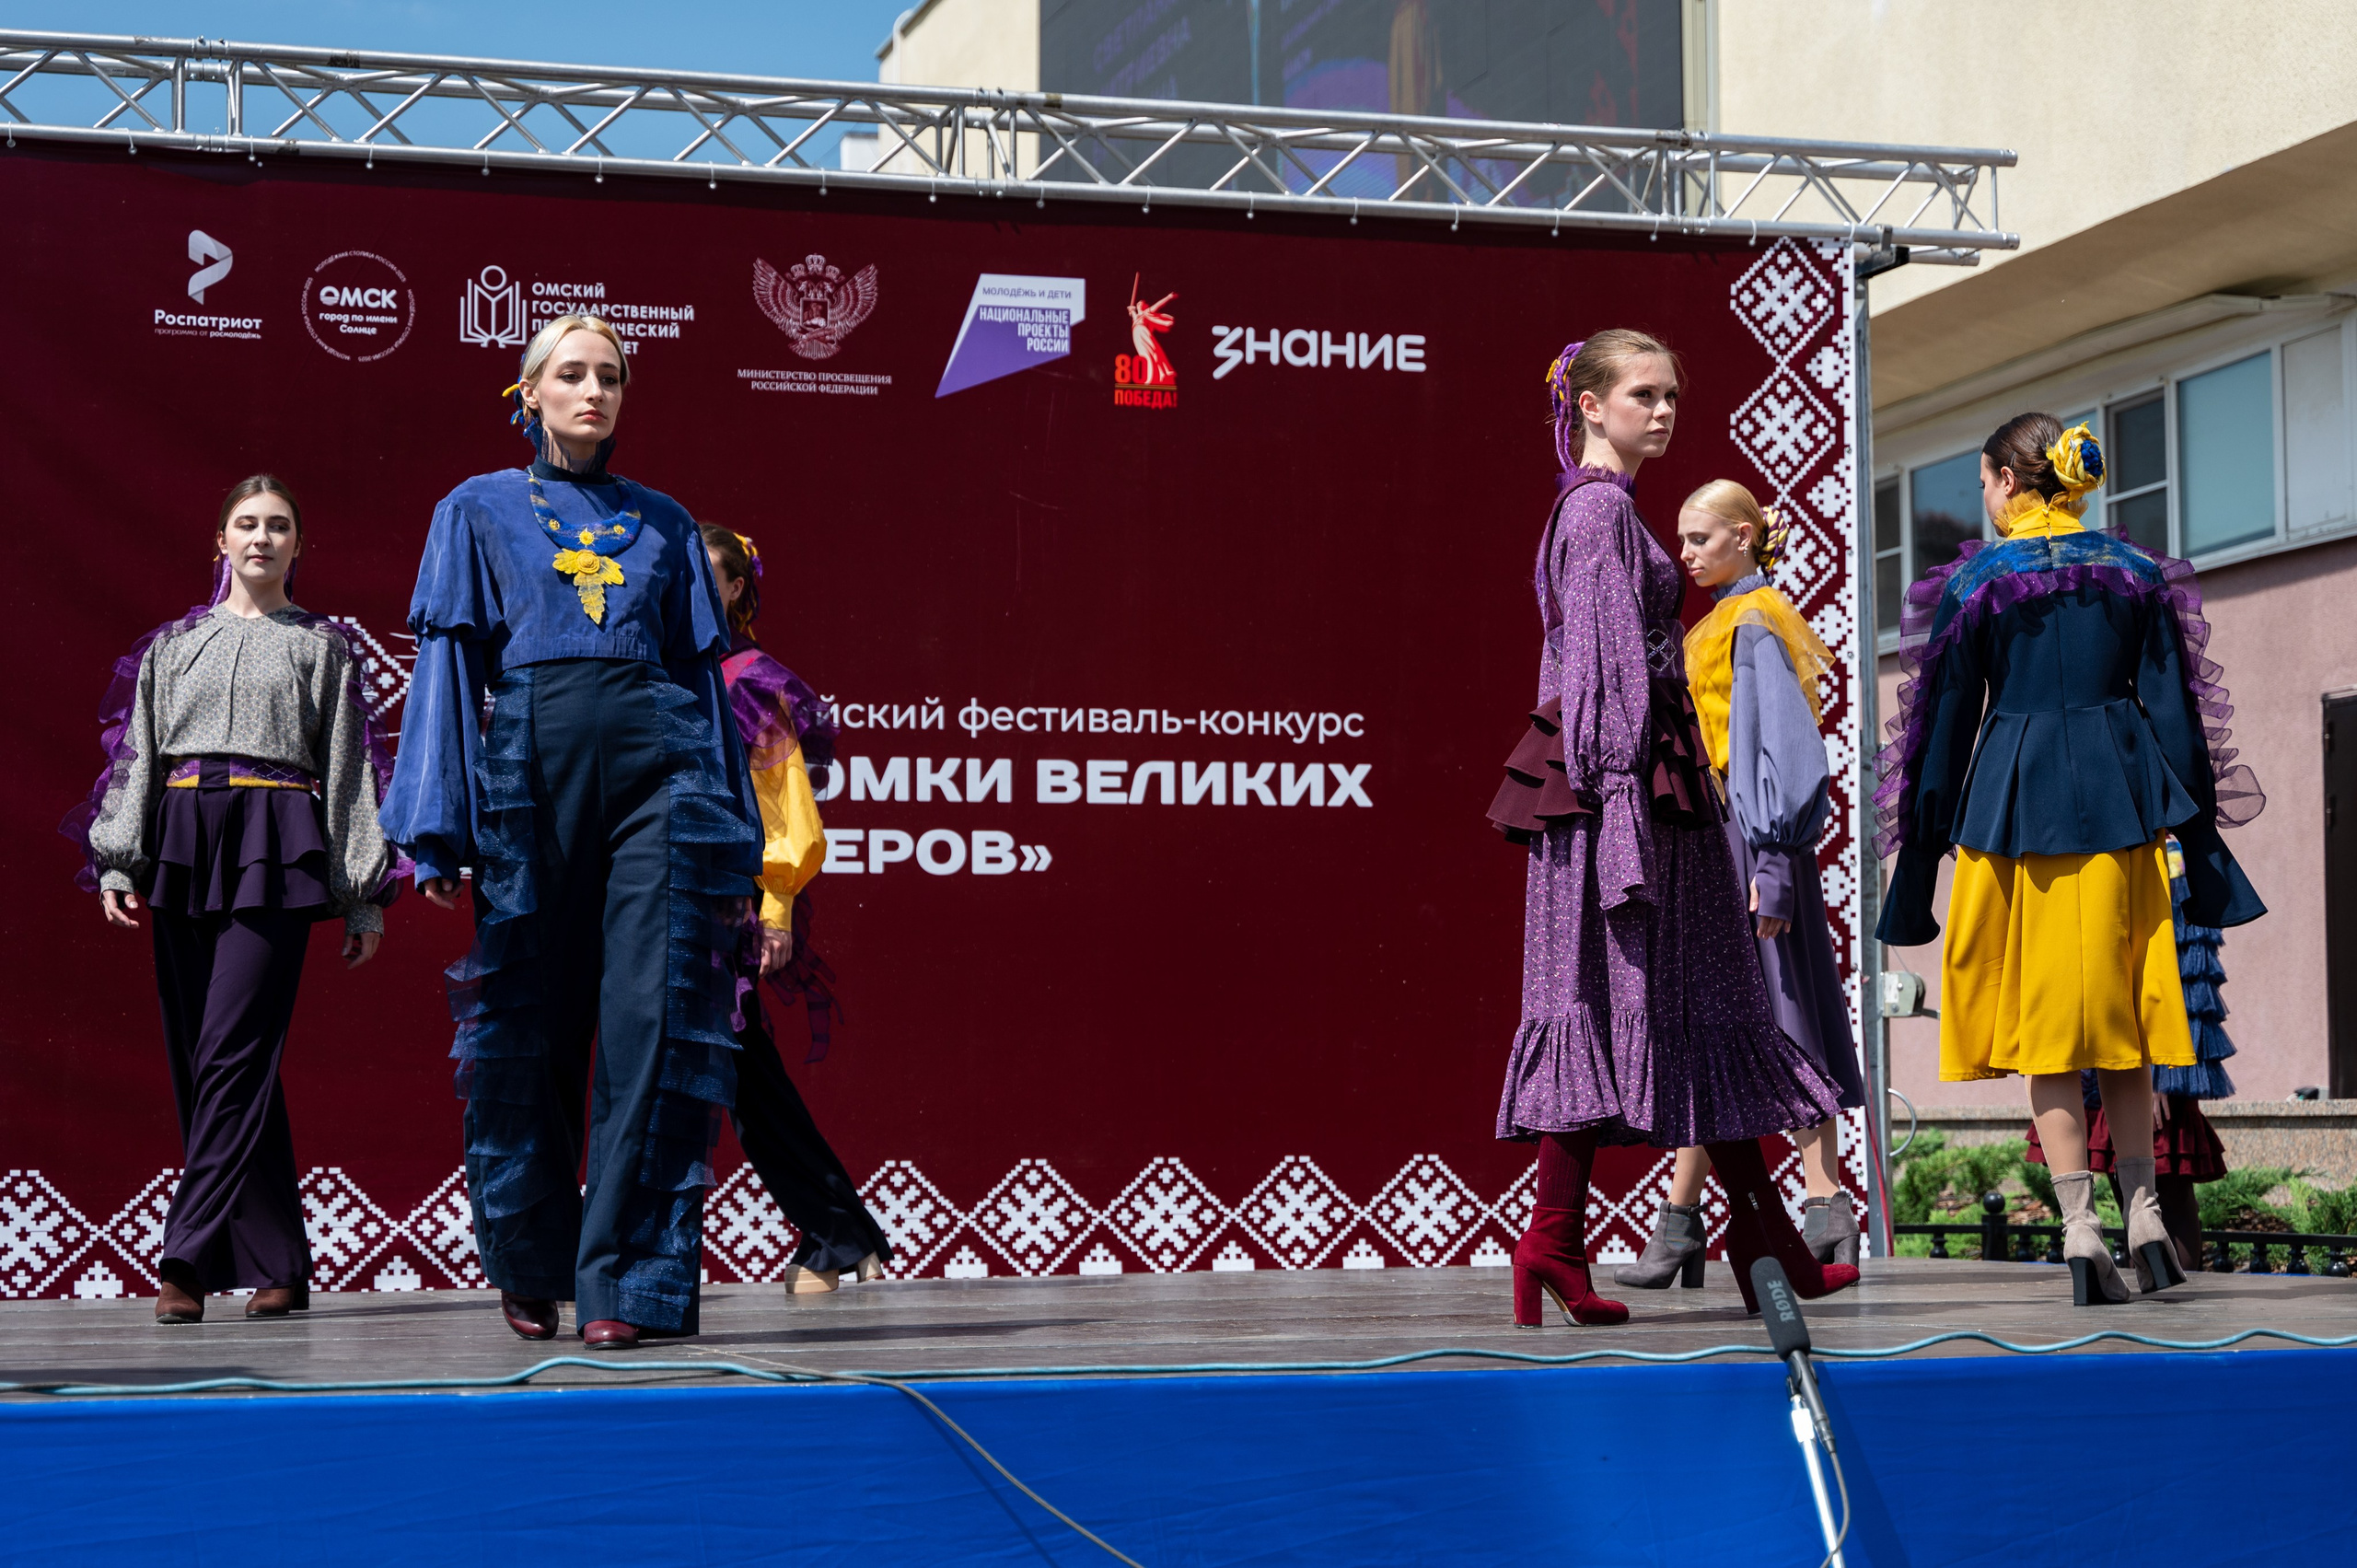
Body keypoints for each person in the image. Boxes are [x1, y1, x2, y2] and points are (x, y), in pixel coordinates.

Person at [381, 315, 761, 1350]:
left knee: (651, 1019)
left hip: (662, 776)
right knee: (530, 1020)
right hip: (531, 771)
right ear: (530, 392)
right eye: (570, 374)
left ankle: (623, 1283)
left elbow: (703, 692)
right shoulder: (478, 509)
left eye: (610, 376)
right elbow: (450, 678)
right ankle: (534, 1257)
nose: (592, 390)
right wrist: (435, 829)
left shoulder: (669, 522)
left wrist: (735, 851)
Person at [1487, 331, 1859, 1326]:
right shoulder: (1600, 511)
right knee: (1636, 1001)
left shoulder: (1605, 510)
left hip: (1644, 791)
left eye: (1671, 396)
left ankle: (1731, 1238)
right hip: (1629, 798)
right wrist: (1620, 820)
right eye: (1642, 394)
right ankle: (1572, 1243)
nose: (1661, 411)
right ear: (1590, 405)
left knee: (1691, 1004)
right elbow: (1602, 677)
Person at [1875, 413, 2265, 1306]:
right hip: (2123, 808)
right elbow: (2177, 721)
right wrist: (2198, 838)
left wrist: (1919, 862)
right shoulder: (2134, 576)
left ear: (2007, 482)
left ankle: (2080, 1227)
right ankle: (2145, 1216)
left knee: (2053, 1033)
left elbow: (1937, 734)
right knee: (2124, 1024)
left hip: (2016, 810)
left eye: (1982, 480)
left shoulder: (1978, 582)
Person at [64, 475, 397, 1324]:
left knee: (231, 1054)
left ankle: (188, 1255)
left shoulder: (323, 647)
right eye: (246, 524)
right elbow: (138, 756)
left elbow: (352, 769)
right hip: (181, 840)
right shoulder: (171, 648)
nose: (262, 537)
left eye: (279, 525)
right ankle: (281, 1261)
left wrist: (362, 894)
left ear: (297, 545)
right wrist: (118, 860)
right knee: (209, 1060)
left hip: (274, 842)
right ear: (221, 541)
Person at [1617, 482, 1866, 1289]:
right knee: (1720, 1023)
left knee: (1778, 1015)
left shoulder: (1755, 621)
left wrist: (1771, 862)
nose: (1685, 553)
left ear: (1746, 536)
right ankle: (1698, 1216)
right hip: (1724, 839)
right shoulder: (1723, 621)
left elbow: (1788, 755)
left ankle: (1819, 1205)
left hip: (1750, 841)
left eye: (1700, 538)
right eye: (1683, 539)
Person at [701, 524, 893, 1291]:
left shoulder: (745, 677)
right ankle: (840, 1234)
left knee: (740, 1071)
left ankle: (839, 1232)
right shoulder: (660, 671)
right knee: (732, 1073)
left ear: (738, 588)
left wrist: (774, 906)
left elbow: (787, 809)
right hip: (656, 888)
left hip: (724, 900)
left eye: (706, 574)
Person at [2026, 836, 2238, 1272]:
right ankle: (2147, 1252)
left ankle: (2092, 1238)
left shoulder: (2164, 853)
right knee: (2146, 1191)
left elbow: (2185, 962)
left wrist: (2165, 1073)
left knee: (2166, 1180)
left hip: (2126, 1058)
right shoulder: (2151, 839)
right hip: (2111, 1055)